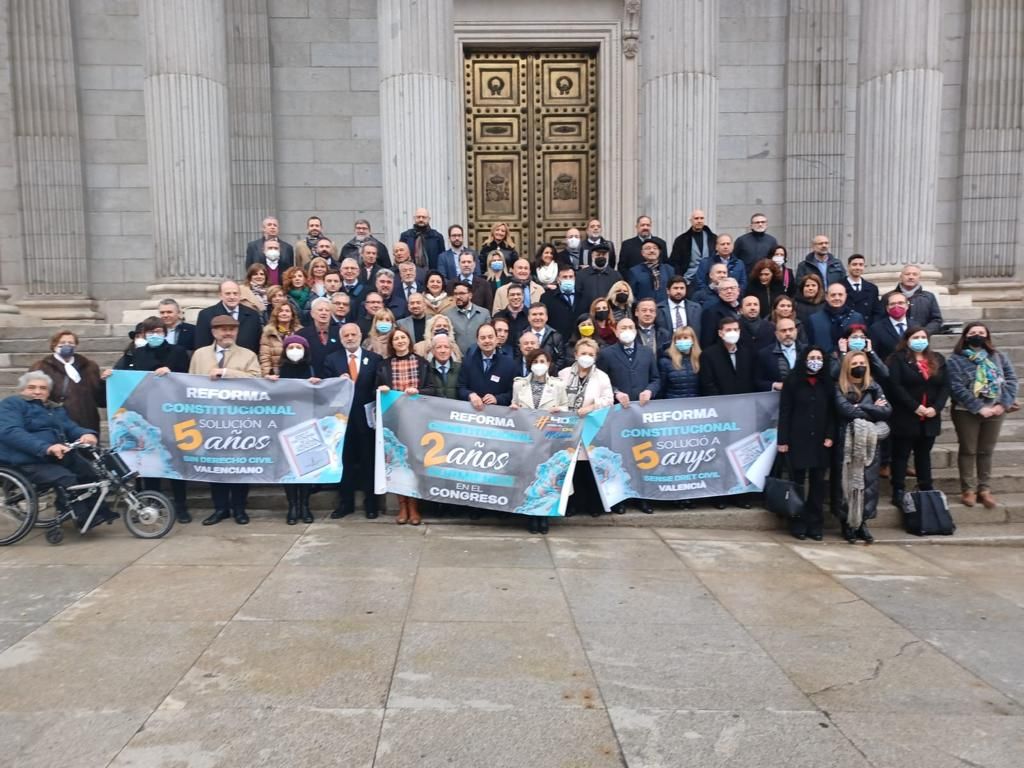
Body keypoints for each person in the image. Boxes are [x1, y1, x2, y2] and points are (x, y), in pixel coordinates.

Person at [0, 371, 117, 529]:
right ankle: (81, 516)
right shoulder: (12, 404)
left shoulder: (53, 408)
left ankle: (99, 512)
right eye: (31, 387)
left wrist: (85, 434)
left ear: (48, 392)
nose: (37, 391)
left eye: (43, 388)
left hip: (54, 456)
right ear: (22, 390)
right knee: (66, 478)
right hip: (24, 460)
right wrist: (46, 447)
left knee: (88, 470)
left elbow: (70, 427)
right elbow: (11, 432)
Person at [109, 316, 190, 523]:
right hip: (146, 412)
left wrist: (171, 372)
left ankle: (181, 507)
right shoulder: (138, 353)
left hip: (172, 413)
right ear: (144, 334)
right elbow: (126, 376)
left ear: (165, 333)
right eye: (150, 332)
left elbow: (187, 379)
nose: (155, 335)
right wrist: (112, 375)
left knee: (174, 461)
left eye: (158, 331)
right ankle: (150, 505)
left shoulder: (178, 352)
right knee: (149, 463)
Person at [189, 315, 261, 525]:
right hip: (210, 420)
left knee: (240, 466)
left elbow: (257, 380)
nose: (228, 333)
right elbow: (190, 383)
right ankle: (220, 508)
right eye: (223, 329)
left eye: (232, 329)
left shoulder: (248, 355)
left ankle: (239, 508)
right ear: (214, 332)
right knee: (215, 466)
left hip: (239, 421)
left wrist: (227, 373)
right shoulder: (200, 355)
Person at [948, 322, 1019, 509]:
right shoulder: (955, 359)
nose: (977, 335)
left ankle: (984, 488)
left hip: (995, 410)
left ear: (987, 336)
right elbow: (955, 387)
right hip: (966, 411)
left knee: (986, 450)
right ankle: (968, 489)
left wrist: (1002, 404)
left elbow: (1011, 380)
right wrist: (978, 407)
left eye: (981, 332)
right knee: (968, 450)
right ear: (966, 336)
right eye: (973, 332)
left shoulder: (998, 356)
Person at [596, 317, 660, 514]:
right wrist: (615, 392)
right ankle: (620, 498)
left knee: (642, 456)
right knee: (619, 456)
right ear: (616, 331)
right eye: (623, 327)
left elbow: (656, 379)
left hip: (641, 414)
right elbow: (600, 381)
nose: (627, 330)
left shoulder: (647, 352)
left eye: (630, 327)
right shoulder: (606, 354)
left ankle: (642, 497)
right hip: (618, 415)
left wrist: (650, 390)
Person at [885, 326, 949, 511]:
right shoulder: (897, 359)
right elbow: (895, 386)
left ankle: (925, 486)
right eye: (915, 337)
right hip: (906, 415)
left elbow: (945, 385)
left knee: (924, 454)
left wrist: (936, 408)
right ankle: (898, 489)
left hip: (930, 416)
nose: (920, 340)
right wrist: (915, 407)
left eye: (923, 337)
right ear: (907, 340)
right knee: (901, 455)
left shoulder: (937, 359)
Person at [324, 323, 384, 519]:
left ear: (360, 335)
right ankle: (345, 503)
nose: (350, 338)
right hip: (341, 421)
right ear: (341, 338)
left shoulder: (374, 359)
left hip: (366, 420)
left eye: (353, 334)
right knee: (345, 463)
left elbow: (378, 386)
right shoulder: (332, 359)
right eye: (346, 335)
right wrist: (336, 382)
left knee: (368, 462)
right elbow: (325, 390)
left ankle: (371, 504)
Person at [377, 327, 435, 525]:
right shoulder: (383, 366)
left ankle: (414, 506)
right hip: (393, 421)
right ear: (392, 343)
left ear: (409, 341)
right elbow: (373, 390)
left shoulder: (422, 363)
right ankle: (402, 506)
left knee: (414, 463)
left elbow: (432, 389)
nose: (400, 341)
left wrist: (418, 391)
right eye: (396, 339)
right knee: (396, 463)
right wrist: (381, 389)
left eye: (403, 338)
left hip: (416, 421)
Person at [776, 347, 836, 541]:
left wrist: (830, 435)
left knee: (818, 484)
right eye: (812, 357)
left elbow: (832, 412)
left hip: (821, 440)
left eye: (819, 357)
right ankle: (798, 522)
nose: (815, 361)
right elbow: (785, 411)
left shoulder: (827, 382)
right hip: (797, 439)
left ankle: (815, 523)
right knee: (798, 482)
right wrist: (783, 440)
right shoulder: (793, 381)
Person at [833, 351, 892, 543]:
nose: (859, 366)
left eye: (862, 363)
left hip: (870, 442)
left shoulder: (874, 387)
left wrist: (862, 408)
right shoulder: (839, 387)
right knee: (846, 482)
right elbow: (846, 410)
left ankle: (862, 522)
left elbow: (886, 410)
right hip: (846, 441)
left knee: (868, 483)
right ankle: (847, 522)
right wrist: (873, 409)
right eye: (854, 363)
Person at [511, 348, 568, 534]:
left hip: (548, 438)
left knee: (546, 477)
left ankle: (543, 516)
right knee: (528, 477)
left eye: (542, 361)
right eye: (535, 362)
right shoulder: (519, 385)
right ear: (530, 364)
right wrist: (513, 408)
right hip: (527, 438)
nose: (539, 365)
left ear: (549, 364)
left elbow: (566, 407)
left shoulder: (558, 385)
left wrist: (560, 410)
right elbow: (514, 405)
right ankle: (530, 515)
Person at [266, 335, 321, 524]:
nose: (295, 350)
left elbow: (324, 397)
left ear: (305, 350)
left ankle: (305, 505)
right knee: (287, 466)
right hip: (285, 424)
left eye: (299, 347)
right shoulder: (279, 370)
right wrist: (269, 383)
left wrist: (318, 385)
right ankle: (292, 506)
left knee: (306, 466)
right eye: (291, 347)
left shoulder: (312, 369)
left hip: (306, 423)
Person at [558, 338, 614, 517]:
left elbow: (609, 400)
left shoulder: (601, 377)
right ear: (575, 354)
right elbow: (556, 396)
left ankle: (593, 505)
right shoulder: (563, 374)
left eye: (591, 354)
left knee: (589, 467)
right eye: (583, 353)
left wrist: (591, 407)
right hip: (568, 428)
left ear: (595, 357)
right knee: (570, 467)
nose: (586, 357)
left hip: (591, 427)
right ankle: (571, 505)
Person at [29, 330, 106, 433]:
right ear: (54, 345)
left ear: (76, 346)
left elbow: (99, 396)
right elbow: (32, 394)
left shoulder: (89, 367)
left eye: (70, 343)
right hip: (55, 421)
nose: (67, 345)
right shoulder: (41, 367)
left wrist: (106, 381)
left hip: (86, 421)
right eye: (62, 343)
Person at [457, 323, 518, 408]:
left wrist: (497, 399)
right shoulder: (468, 361)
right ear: (477, 341)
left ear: (496, 339)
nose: (487, 341)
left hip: (498, 412)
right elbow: (460, 388)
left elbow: (513, 392)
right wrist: (470, 395)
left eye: (490, 337)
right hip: (472, 411)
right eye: (483, 338)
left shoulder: (509, 364)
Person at [806, 282, 865, 354]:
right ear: (826, 297)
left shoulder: (856, 318)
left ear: (845, 296)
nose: (837, 298)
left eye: (840, 295)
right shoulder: (814, 319)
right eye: (833, 295)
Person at [755, 317, 804, 392]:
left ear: (796, 331)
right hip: (778, 396)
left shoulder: (807, 351)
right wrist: (775, 385)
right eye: (783, 331)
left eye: (791, 329)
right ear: (776, 334)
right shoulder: (765, 354)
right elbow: (758, 381)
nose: (788, 333)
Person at [670, 209, 716, 284]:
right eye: (696, 218)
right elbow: (675, 262)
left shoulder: (713, 238)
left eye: (701, 218)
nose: (699, 221)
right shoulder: (681, 240)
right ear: (691, 221)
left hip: (708, 280)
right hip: (688, 280)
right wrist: (680, 279)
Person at [444, 282, 491, 355]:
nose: (458, 297)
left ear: (470, 295)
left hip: (480, 357)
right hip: (458, 358)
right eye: (455, 294)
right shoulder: (448, 315)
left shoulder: (484, 313)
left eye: (462, 293)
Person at [541, 265, 585, 340]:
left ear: (575, 278)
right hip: (556, 341)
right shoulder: (547, 298)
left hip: (579, 340)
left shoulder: (583, 296)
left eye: (571, 277)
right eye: (564, 277)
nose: (568, 279)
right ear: (558, 279)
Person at [896, 264, 943, 334]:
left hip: (921, 338)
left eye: (915, 274)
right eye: (907, 274)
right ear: (901, 276)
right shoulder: (889, 297)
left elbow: (936, 320)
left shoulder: (929, 297)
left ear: (919, 277)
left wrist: (924, 332)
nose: (911, 277)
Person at [259, 302, 302, 376]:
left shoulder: (300, 332)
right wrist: (267, 374)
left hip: (296, 374)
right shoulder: (268, 332)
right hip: (275, 376)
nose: (284, 313)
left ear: (292, 316)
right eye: (281, 311)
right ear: (276, 315)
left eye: (287, 311)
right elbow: (264, 357)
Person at [869, 290, 912, 363]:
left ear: (907, 306)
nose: (896, 306)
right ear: (887, 308)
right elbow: (874, 356)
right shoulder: (876, 329)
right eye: (892, 304)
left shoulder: (916, 325)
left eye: (900, 303)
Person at [698, 277, 741, 349]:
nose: (729, 291)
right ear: (719, 293)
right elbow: (707, 341)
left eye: (732, 288)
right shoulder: (711, 312)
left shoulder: (743, 307)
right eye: (725, 289)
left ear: (738, 291)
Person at [628, 239, 674, 304]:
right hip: (644, 308)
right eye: (648, 248)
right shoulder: (634, 271)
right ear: (642, 253)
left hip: (665, 307)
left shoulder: (669, 269)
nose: (652, 251)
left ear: (659, 252)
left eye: (655, 248)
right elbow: (631, 294)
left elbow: (673, 290)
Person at [659, 326, 701, 399]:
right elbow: (662, 388)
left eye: (685, 338)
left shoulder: (700, 359)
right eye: (678, 338)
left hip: (697, 403)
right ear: (674, 341)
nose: (682, 341)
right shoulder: (666, 361)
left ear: (693, 340)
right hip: (673, 403)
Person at [575, 242, 618, 311]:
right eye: (598, 255)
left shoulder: (615, 275)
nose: (601, 257)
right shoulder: (581, 275)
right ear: (592, 256)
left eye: (604, 255)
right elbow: (577, 297)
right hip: (587, 314)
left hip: (609, 314)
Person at [842, 253, 881, 326]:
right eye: (854, 264)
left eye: (861, 265)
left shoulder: (872, 288)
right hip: (847, 328)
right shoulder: (840, 286)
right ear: (848, 266)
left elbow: (877, 312)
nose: (858, 267)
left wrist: (873, 327)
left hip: (867, 328)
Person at [425, 333, 462, 399]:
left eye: (446, 347)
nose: (443, 351)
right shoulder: (426, 369)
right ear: (432, 351)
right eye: (439, 347)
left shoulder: (461, 368)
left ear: (451, 350)